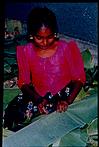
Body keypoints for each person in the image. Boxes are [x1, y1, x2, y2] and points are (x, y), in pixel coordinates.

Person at [4, 7, 86, 131]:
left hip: (63, 92)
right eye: (39, 38)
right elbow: (23, 82)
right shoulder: (25, 52)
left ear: (55, 33)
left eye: (50, 37)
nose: (45, 42)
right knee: (14, 113)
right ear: (31, 36)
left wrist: (67, 101)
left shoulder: (67, 48)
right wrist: (38, 100)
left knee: (58, 117)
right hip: (38, 95)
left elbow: (79, 78)